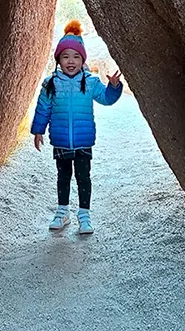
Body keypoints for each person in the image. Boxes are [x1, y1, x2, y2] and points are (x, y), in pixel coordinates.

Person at [31, 19, 123, 234]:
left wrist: (114, 87)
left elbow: (106, 98)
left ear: (83, 60)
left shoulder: (90, 82)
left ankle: (84, 215)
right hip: (61, 140)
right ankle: (63, 213)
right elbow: (43, 108)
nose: (70, 61)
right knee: (63, 177)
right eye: (65, 56)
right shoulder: (51, 83)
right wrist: (38, 130)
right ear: (58, 60)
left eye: (76, 56)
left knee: (83, 177)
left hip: (83, 141)